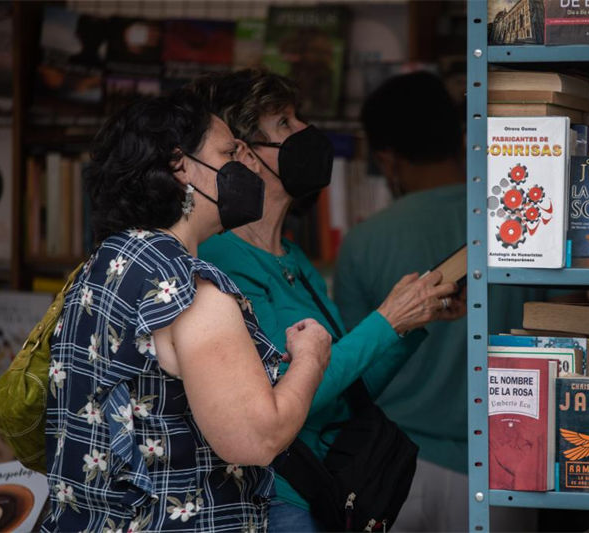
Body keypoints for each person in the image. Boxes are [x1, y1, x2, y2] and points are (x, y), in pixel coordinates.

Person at [43, 90, 331, 532]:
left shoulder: (102, 265)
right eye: (228, 152)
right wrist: (310, 356)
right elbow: (257, 438)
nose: (247, 163)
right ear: (180, 167)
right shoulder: (190, 292)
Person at [189, 69, 464, 532]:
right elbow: (289, 397)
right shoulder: (221, 261)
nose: (305, 133)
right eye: (284, 124)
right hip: (277, 502)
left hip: (325, 496)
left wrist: (414, 321)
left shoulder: (292, 257)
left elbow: (346, 389)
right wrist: (388, 319)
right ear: (245, 155)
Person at [335, 71, 539, 532]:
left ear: (387, 158)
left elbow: (353, 370)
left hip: (395, 466)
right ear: (458, 135)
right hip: (507, 463)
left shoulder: (365, 240)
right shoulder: (520, 224)